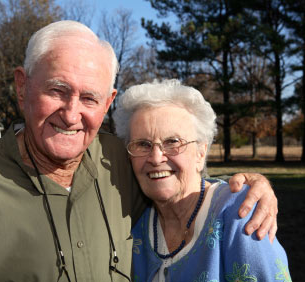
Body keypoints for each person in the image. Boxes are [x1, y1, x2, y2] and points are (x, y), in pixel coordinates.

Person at [0, 21, 277, 282]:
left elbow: (176, 181)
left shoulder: (119, 159)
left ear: (108, 103)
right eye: (57, 90)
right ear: (22, 86)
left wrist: (249, 187)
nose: (71, 114)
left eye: (89, 97)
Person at [113, 79, 291, 282]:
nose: (155, 158)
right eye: (143, 144)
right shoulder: (134, 221)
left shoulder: (239, 215)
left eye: (172, 142)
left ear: (201, 153)